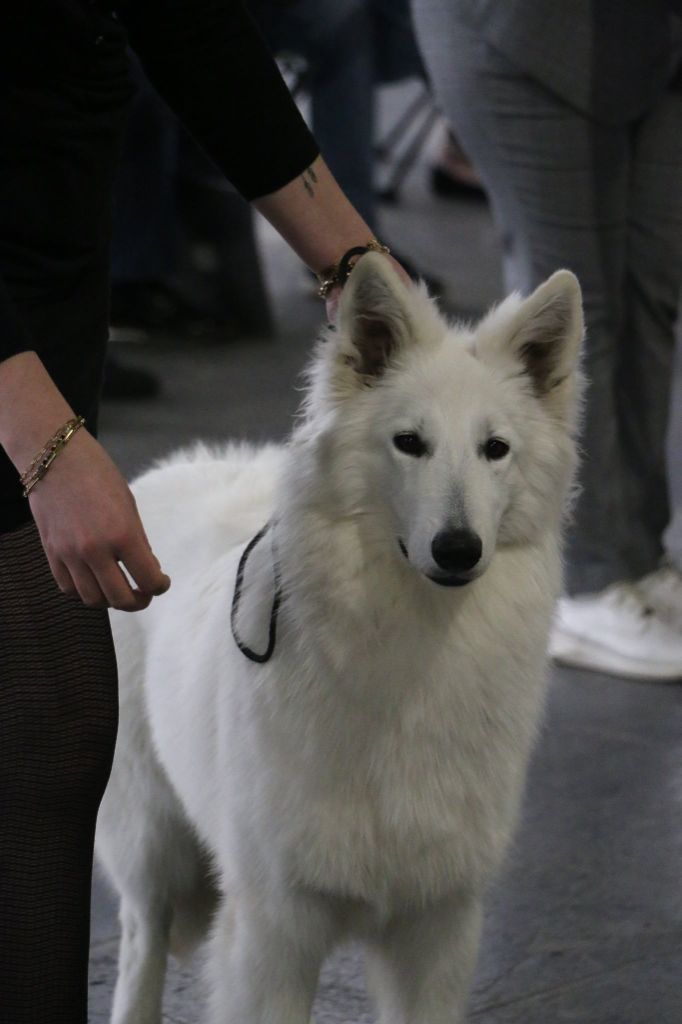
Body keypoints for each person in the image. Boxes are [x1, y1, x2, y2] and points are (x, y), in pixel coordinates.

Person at [0, 2, 406, 1020]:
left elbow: (190, 25)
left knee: (47, 735)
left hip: (44, 257)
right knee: (55, 721)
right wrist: (43, 445)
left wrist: (355, 263)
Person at [411, 0, 682, 680]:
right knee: (569, 318)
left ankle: (636, 554)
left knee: (651, 291)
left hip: (653, 37)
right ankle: (583, 580)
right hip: (523, 32)